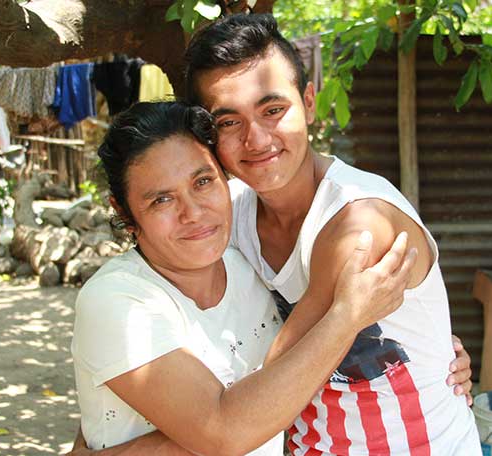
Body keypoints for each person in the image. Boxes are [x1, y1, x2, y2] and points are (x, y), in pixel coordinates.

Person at [183, 14, 482, 455]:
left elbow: (266, 398)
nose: (256, 139)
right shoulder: (232, 216)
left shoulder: (360, 223)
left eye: (272, 110)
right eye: (229, 122)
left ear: (308, 102)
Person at [72, 101, 421, 455]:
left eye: (203, 181)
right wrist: (347, 317)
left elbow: (288, 373)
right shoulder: (117, 301)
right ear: (124, 213)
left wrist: (434, 354)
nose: (193, 213)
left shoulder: (245, 259)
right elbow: (224, 433)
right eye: (162, 200)